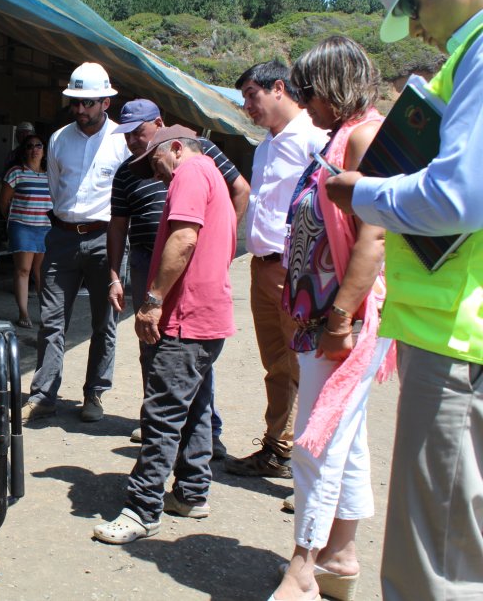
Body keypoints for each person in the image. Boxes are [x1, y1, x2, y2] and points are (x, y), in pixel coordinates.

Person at [325, 0, 483, 598]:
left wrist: (364, 193)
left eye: (415, 2)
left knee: (433, 562)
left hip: (455, 337)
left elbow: (459, 195)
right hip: (457, 330)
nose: (414, 22)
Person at [270, 36, 391, 601]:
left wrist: (340, 316)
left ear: (336, 86)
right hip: (322, 315)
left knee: (318, 439)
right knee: (347, 434)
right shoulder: (339, 137)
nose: (305, 101)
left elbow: (375, 234)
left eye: (311, 90)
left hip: (343, 318)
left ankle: (304, 564)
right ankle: (340, 558)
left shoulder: (363, 137)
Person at [92, 124, 237, 544]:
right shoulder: (214, 175)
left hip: (186, 317)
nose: (155, 175)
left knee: (162, 414)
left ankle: (142, 509)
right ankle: (191, 493)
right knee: (195, 407)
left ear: (175, 147)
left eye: (155, 162)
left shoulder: (190, 173)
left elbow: (185, 237)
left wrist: (153, 300)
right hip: (207, 316)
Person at [108, 98, 251, 456]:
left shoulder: (197, 155)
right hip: (146, 259)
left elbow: (239, 189)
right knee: (155, 347)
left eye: (138, 133)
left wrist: (217, 247)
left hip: (188, 260)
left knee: (190, 348)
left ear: (158, 124)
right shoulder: (128, 171)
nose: (133, 142)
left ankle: (197, 433)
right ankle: (161, 421)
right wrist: (116, 274)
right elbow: (118, 224)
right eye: (126, 136)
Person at [225, 61, 330, 480]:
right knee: (277, 364)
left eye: (252, 95)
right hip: (262, 266)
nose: (247, 106)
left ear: (279, 88)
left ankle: (311, 464)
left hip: (295, 269)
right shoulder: (265, 145)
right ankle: (278, 448)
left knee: (307, 365)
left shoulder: (314, 138)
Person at [21, 62, 130, 423]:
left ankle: (94, 393)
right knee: (51, 321)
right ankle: (44, 395)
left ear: (105, 104)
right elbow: (55, 188)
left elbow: (128, 200)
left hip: (106, 240)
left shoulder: (121, 142)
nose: (80, 110)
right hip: (63, 238)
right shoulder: (58, 139)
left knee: (104, 322)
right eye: (75, 103)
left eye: (89, 103)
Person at [0, 133, 51, 329]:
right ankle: (23, 312)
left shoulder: (50, 173)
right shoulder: (16, 172)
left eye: (39, 145)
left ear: (44, 151)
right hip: (22, 226)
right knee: (23, 270)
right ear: (24, 150)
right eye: (30, 146)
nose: (34, 149)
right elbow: (4, 202)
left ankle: (46, 313)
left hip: (45, 228)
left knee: (41, 272)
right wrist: (14, 221)